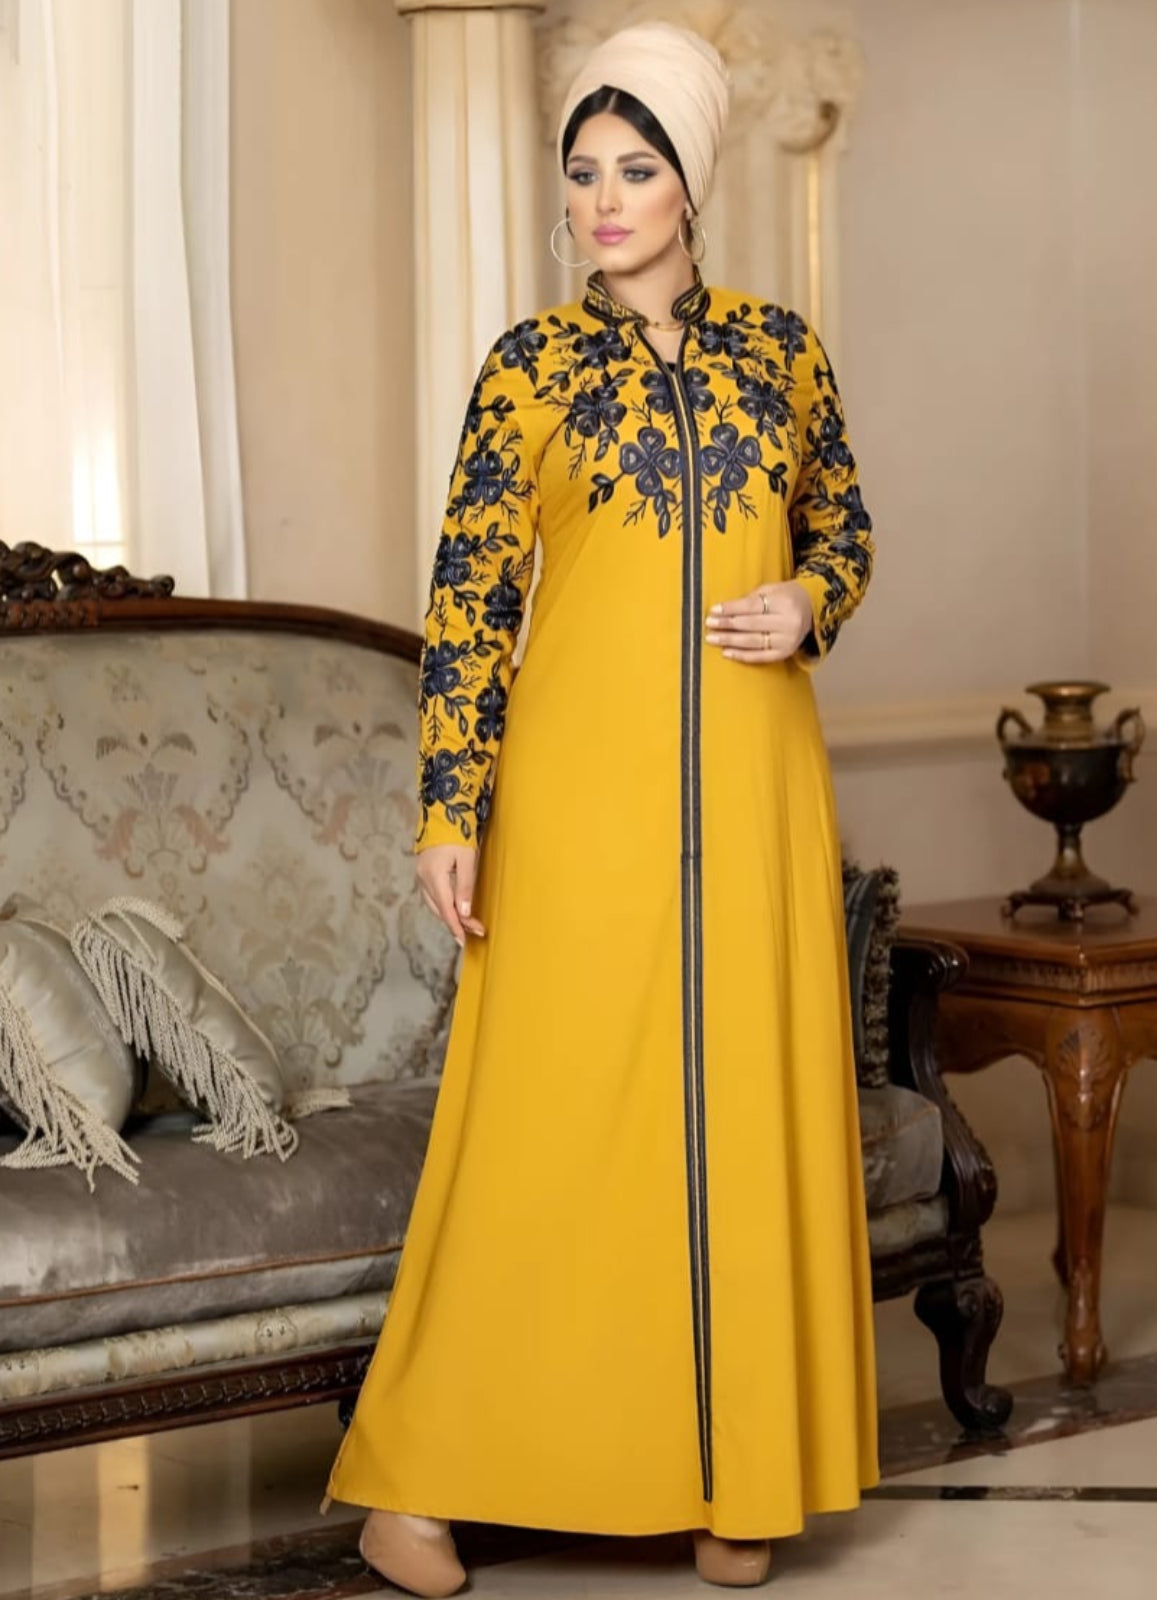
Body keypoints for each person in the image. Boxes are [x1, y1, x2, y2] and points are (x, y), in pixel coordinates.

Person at [323, 20, 878, 1596]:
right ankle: (412, 1493)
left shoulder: (781, 355)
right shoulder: (529, 368)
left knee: (736, 1120)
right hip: (576, 801)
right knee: (546, 1135)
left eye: (635, 170)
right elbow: (469, 598)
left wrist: (810, 601)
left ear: (690, 184)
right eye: (582, 173)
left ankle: (729, 1474)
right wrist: (450, 809)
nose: (604, 200)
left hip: (755, 789)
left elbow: (843, 527)